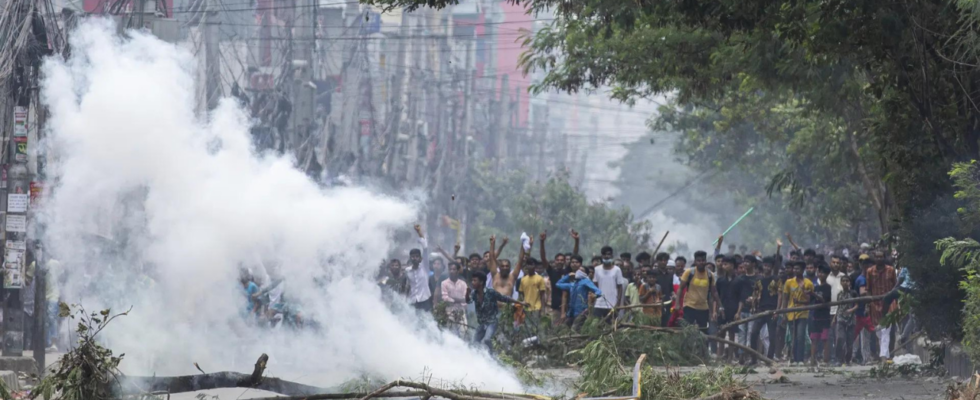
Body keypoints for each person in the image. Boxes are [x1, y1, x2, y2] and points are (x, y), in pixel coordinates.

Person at [468, 273, 526, 352]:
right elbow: (468, 301)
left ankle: (493, 356)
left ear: (481, 282)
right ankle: (479, 357)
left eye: (474, 280)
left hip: (492, 322)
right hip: (482, 323)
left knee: (487, 340)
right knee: (474, 342)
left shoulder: (490, 292)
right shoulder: (474, 293)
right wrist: (466, 293)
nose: (472, 282)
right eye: (472, 280)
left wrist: (520, 302)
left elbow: (504, 298)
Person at [749, 256, 780, 364]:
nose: (766, 267)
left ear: (771, 267)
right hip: (760, 310)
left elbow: (780, 295)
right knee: (753, 333)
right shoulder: (759, 280)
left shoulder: (776, 279)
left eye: (768, 266)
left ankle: (769, 359)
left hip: (772, 310)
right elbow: (755, 294)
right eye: (765, 265)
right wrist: (753, 306)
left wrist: (778, 310)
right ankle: (753, 359)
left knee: (772, 336)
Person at [541, 230, 577, 324]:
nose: (560, 261)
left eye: (562, 260)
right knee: (556, 332)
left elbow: (575, 255)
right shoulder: (552, 272)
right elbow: (543, 258)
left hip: (569, 307)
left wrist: (576, 241)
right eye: (558, 260)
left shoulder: (568, 271)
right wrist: (542, 242)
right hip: (556, 308)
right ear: (555, 261)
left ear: (565, 261)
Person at [866, 250, 897, 360]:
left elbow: (895, 286)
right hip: (875, 303)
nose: (879, 259)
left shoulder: (891, 270)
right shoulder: (870, 271)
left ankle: (884, 355)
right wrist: (870, 303)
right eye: (877, 257)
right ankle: (885, 354)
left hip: (889, 302)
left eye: (881, 257)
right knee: (879, 331)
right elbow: (868, 289)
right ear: (874, 258)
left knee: (886, 329)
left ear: (884, 258)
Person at [781, 261, 814, 365]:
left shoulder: (808, 283)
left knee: (800, 336)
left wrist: (803, 291)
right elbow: (785, 298)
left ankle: (800, 359)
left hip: (803, 313)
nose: (795, 271)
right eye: (794, 269)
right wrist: (784, 313)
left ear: (803, 270)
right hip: (791, 312)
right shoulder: (789, 282)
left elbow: (810, 299)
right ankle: (794, 359)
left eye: (798, 269)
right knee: (793, 337)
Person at [679, 251, 720, 333]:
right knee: (687, 331)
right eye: (699, 260)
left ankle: (702, 346)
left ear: (706, 261)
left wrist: (720, 305)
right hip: (689, 306)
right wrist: (677, 304)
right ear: (695, 261)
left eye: (703, 260)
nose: (701, 262)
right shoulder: (689, 272)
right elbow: (680, 289)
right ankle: (688, 346)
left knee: (703, 332)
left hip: (703, 308)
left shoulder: (710, 275)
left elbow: (714, 292)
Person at [592, 246, 627, 321]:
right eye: (604, 254)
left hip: (612, 304)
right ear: (602, 256)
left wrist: (617, 303)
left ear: (612, 256)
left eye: (608, 254)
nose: (606, 256)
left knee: (610, 328)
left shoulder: (617, 270)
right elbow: (594, 286)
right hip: (598, 304)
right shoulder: (597, 269)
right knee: (596, 326)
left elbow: (620, 287)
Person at [715, 257, 740, 361]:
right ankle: (719, 356)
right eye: (723, 264)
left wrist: (738, 312)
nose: (724, 266)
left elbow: (740, 298)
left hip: (733, 310)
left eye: (727, 264)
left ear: (733, 266)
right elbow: (716, 296)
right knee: (721, 333)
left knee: (731, 334)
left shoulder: (738, 281)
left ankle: (730, 356)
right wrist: (714, 311)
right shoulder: (720, 281)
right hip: (722, 309)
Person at [406, 224, 433, 312]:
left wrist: (419, 232)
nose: (414, 258)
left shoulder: (425, 267)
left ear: (420, 258)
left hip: (425, 300)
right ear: (410, 258)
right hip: (413, 300)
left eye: (416, 256)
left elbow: (425, 248)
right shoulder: (407, 271)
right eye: (412, 257)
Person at [810, 265, 833, 366]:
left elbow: (824, 300)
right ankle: (812, 360)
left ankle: (826, 360)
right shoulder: (816, 287)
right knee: (814, 338)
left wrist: (814, 294)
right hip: (816, 315)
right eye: (819, 272)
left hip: (825, 316)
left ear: (827, 275)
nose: (820, 274)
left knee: (825, 339)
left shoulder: (828, 287)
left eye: (823, 273)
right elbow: (812, 301)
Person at [441, 262, 469, 336]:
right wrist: (458, 300)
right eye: (450, 269)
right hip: (449, 311)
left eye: (454, 269)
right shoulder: (444, 283)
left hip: (461, 311)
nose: (451, 271)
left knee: (463, 331)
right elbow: (445, 298)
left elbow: (465, 298)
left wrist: (454, 299)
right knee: (451, 333)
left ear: (458, 271)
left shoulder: (463, 283)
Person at [834, 277, 857, 365]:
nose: (845, 282)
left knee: (850, 341)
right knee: (840, 338)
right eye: (843, 281)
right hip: (840, 318)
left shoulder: (853, 293)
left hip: (851, 318)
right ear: (841, 282)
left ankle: (848, 359)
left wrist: (851, 310)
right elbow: (838, 307)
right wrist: (834, 318)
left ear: (849, 282)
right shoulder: (839, 294)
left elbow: (857, 305)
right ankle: (839, 359)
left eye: (847, 281)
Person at [519, 257, 547, 328]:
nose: (530, 266)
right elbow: (521, 293)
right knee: (528, 327)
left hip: (537, 307)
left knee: (536, 326)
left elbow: (542, 294)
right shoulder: (523, 279)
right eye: (528, 264)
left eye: (531, 264)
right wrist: (522, 304)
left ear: (535, 266)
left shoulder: (539, 278)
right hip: (526, 308)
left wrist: (543, 309)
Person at [654, 252, 675, 327]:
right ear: (657, 261)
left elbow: (671, 289)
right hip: (655, 303)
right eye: (661, 260)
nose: (663, 262)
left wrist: (673, 295)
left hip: (667, 302)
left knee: (666, 322)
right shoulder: (654, 274)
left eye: (665, 260)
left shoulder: (670, 275)